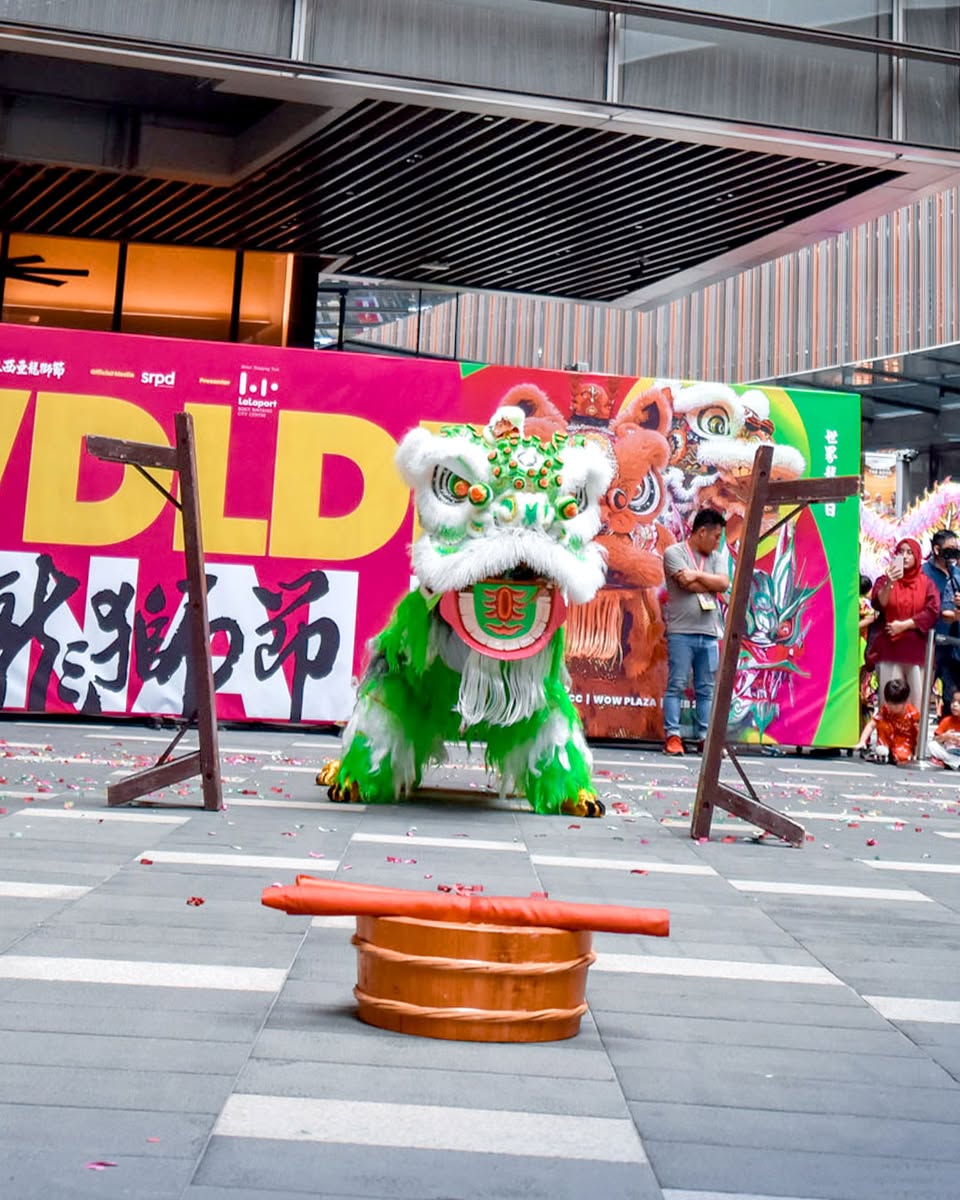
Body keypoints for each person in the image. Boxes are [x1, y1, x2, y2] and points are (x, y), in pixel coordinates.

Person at [662, 507, 731, 755]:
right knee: (676, 685)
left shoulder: (717, 557)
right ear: (702, 532)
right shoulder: (673, 552)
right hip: (681, 632)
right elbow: (684, 582)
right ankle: (673, 736)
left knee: (706, 689)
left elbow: (723, 583)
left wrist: (696, 575)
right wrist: (705, 580)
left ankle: (705, 738)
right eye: (715, 537)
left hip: (710, 634)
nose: (717, 542)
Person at [868, 537, 939, 711]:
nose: (905, 556)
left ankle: (914, 739)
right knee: (889, 701)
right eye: (901, 552)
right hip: (890, 648)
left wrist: (905, 625)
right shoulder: (883, 580)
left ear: (917, 556)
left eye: (910, 552)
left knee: (916, 702)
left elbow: (932, 611)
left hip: (917, 652)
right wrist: (890, 583)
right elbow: (879, 603)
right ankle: (887, 738)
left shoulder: (927, 584)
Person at [922, 530, 960, 716]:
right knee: (922, 690)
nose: (955, 552)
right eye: (950, 549)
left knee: (952, 696)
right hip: (929, 643)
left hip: (954, 645)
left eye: (957, 549)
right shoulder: (922, 574)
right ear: (937, 549)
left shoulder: (957, 573)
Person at [855, 677, 920, 764]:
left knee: (902, 756)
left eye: (896, 705)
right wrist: (862, 741)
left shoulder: (913, 714)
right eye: (891, 704)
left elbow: (918, 734)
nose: (893, 708)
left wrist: (917, 752)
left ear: (905, 702)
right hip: (888, 739)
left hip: (905, 742)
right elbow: (872, 724)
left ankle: (894, 755)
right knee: (881, 722)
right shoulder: (885, 709)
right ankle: (884, 748)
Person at [929, 689, 960, 769]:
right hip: (949, 753)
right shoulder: (947, 720)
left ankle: (952, 763)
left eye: (959, 702)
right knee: (931, 745)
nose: (955, 705)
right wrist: (945, 736)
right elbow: (935, 739)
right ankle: (954, 763)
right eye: (953, 701)